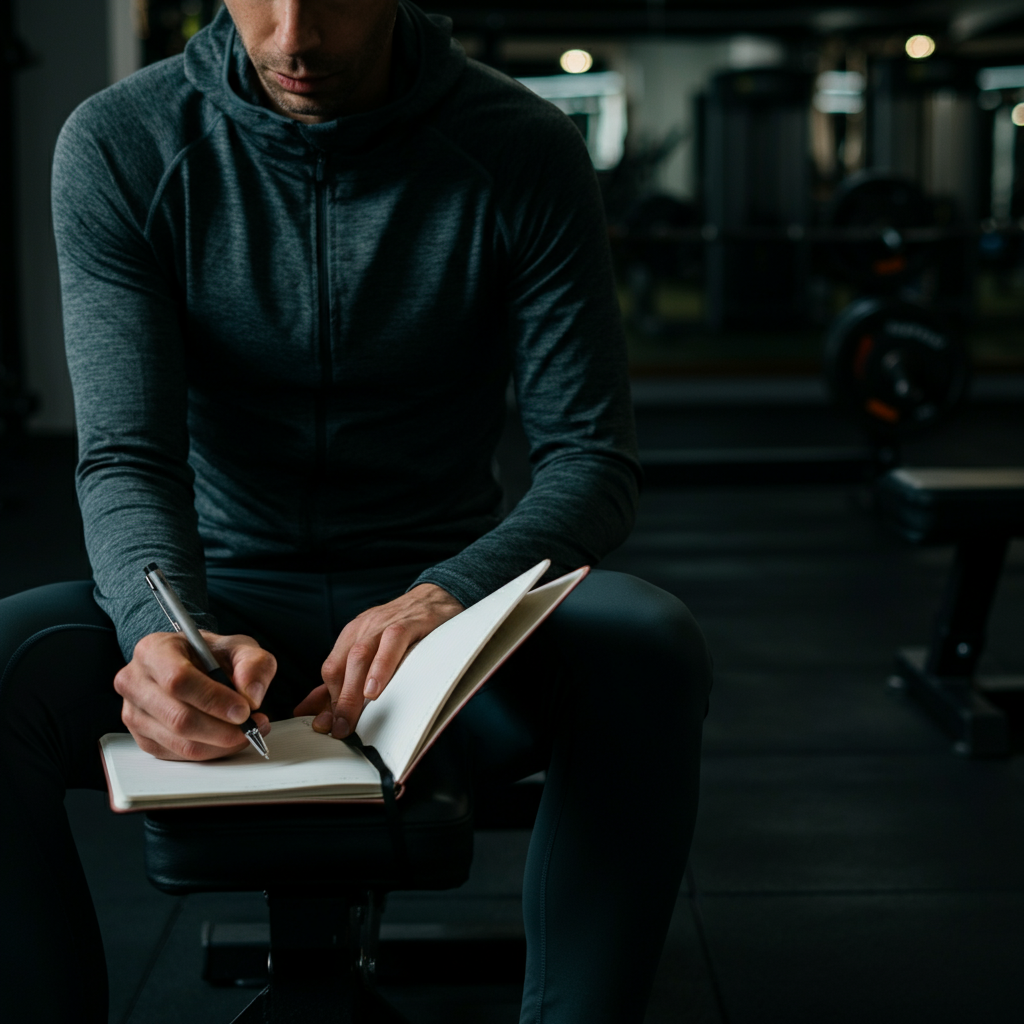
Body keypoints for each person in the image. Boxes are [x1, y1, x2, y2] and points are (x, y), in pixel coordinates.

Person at [0, 1, 712, 1021]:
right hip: (219, 596)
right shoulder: (123, 142)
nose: (295, 37)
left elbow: (590, 461)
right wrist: (161, 631)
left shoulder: (518, 146)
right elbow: (126, 455)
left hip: (446, 622)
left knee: (648, 643)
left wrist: (448, 598)